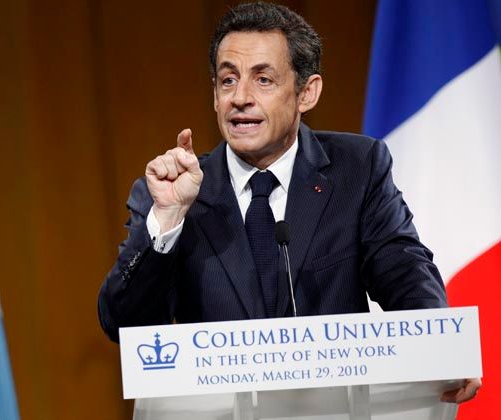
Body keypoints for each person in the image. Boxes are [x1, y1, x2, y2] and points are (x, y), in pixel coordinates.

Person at [98, 2, 480, 403]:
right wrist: (169, 219)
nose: (240, 98)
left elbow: (403, 272)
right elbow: (125, 326)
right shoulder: (170, 193)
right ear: (214, 94)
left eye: (263, 80)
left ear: (306, 92)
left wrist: (444, 351)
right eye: (228, 80)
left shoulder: (357, 169)